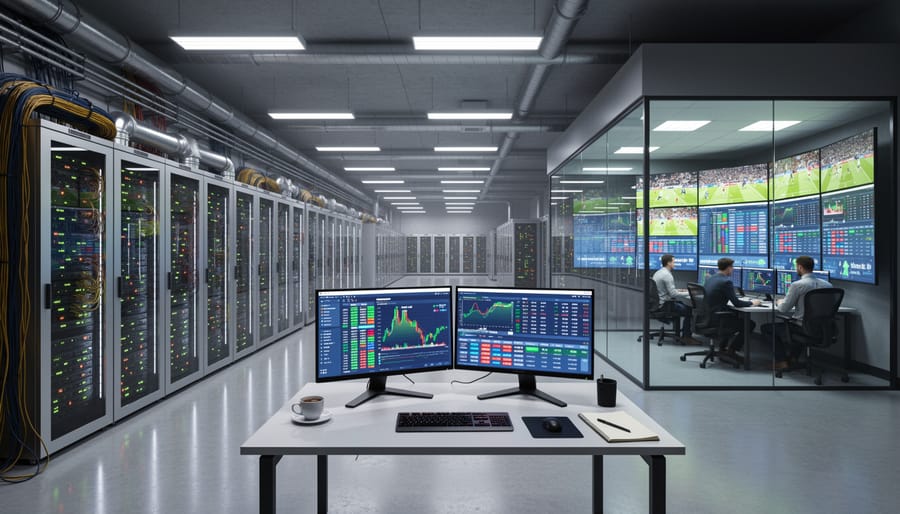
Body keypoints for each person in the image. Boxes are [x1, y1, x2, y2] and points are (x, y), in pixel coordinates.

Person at [761, 256, 833, 370]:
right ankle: (793, 359)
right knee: (795, 326)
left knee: (767, 328)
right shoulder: (828, 285)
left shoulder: (798, 285)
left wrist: (779, 301)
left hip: (803, 327)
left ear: (800, 267)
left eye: (796, 267)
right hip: (824, 328)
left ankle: (782, 361)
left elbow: (784, 309)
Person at [703, 257, 760, 357]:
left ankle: (723, 348)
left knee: (734, 316)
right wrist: (752, 303)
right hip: (717, 319)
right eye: (732, 267)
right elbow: (737, 303)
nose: (732, 269)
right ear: (729, 268)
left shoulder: (710, 278)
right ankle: (732, 350)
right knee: (749, 324)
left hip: (707, 316)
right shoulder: (726, 282)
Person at [651, 254, 693, 341]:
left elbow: (667, 291)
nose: (675, 264)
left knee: (681, 304)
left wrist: (681, 291)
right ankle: (687, 337)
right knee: (689, 310)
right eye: (674, 262)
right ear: (669, 263)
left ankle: (680, 334)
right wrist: (689, 293)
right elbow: (673, 294)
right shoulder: (667, 275)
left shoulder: (658, 272)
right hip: (665, 305)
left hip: (658, 304)